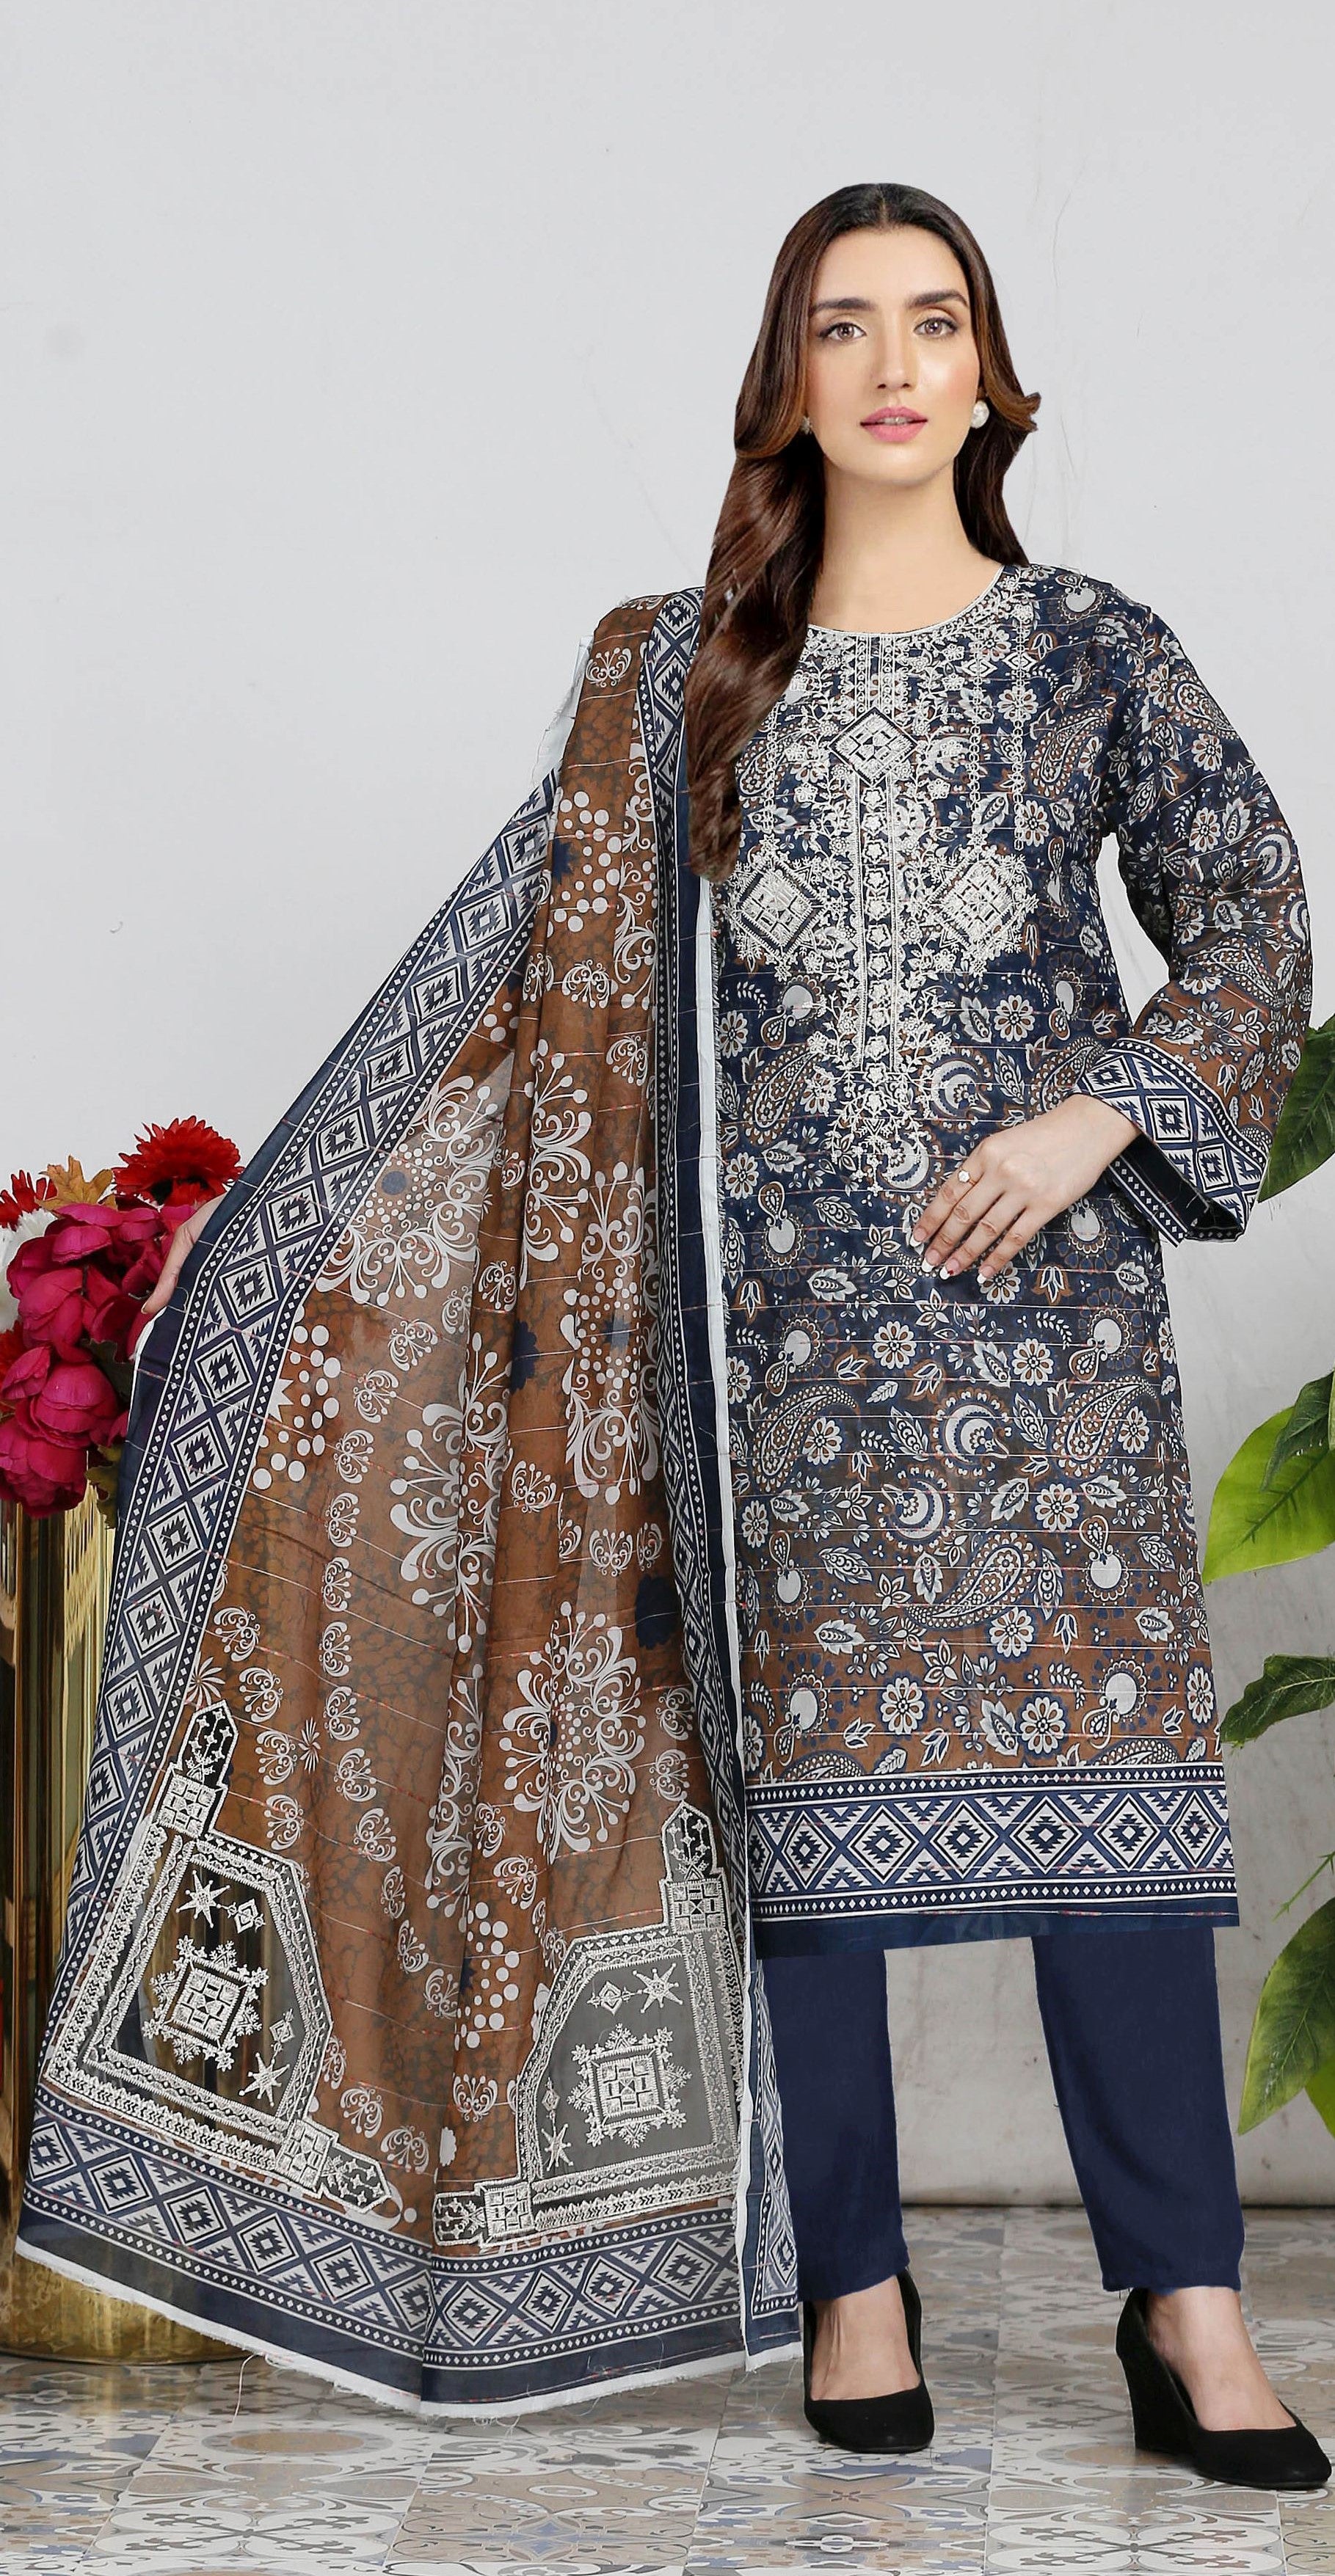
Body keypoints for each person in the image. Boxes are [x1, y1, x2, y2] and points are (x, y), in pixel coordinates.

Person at [20, 185, 1323, 2486]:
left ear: (997, 378)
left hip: (1046, 1336)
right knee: (794, 1839)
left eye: (937, 325)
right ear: (786, 380)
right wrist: (278, 1226)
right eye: (844, 327)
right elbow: (524, 995)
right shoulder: (670, 665)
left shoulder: (1090, 648)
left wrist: (1102, 1105)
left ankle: (1187, 2307)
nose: (895, 365)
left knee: (1111, 1829)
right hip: (765, 1359)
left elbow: (1248, 915)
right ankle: (852, 2284)